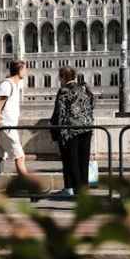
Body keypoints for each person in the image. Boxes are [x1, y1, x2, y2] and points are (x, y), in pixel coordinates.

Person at [50, 67, 94, 198]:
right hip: (87, 128)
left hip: (71, 130)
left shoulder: (64, 91)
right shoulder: (84, 88)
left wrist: (53, 128)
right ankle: (84, 189)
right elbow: (91, 106)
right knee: (83, 160)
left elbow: (59, 112)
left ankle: (72, 189)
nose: (59, 80)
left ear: (63, 78)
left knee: (71, 160)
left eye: (60, 77)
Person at [0, 60, 32, 183]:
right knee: (20, 157)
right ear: (20, 70)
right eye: (25, 69)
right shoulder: (7, 85)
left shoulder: (15, 85)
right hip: (5, 127)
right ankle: (31, 188)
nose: (26, 71)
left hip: (8, 127)